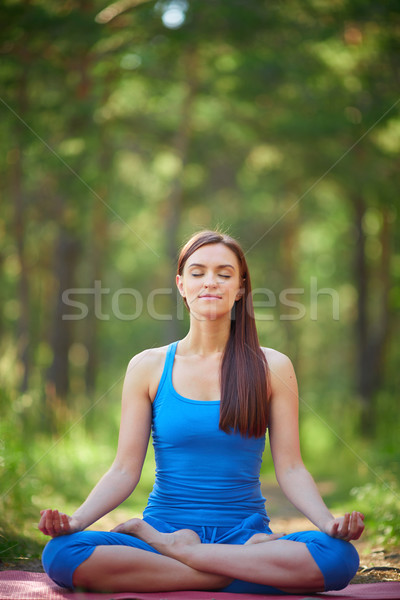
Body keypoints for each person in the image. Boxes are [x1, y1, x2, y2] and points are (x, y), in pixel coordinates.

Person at [39, 230, 365, 595]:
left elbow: (290, 467)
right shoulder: (148, 366)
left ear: (240, 287)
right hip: (166, 530)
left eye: (224, 274)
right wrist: (78, 520)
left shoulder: (272, 366)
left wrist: (328, 523)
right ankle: (238, 571)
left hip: (245, 537)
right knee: (62, 553)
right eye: (198, 272)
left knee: (338, 557)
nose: (210, 282)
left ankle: (182, 557)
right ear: (181, 284)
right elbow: (124, 469)